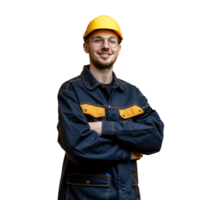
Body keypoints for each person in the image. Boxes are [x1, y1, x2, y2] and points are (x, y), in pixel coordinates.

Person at [55, 14, 166, 200]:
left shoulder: (134, 94)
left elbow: (155, 138)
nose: (105, 46)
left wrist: (104, 128)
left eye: (112, 41)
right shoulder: (70, 90)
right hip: (83, 196)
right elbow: (78, 146)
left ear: (120, 49)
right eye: (97, 40)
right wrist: (127, 152)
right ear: (85, 46)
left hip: (129, 195)